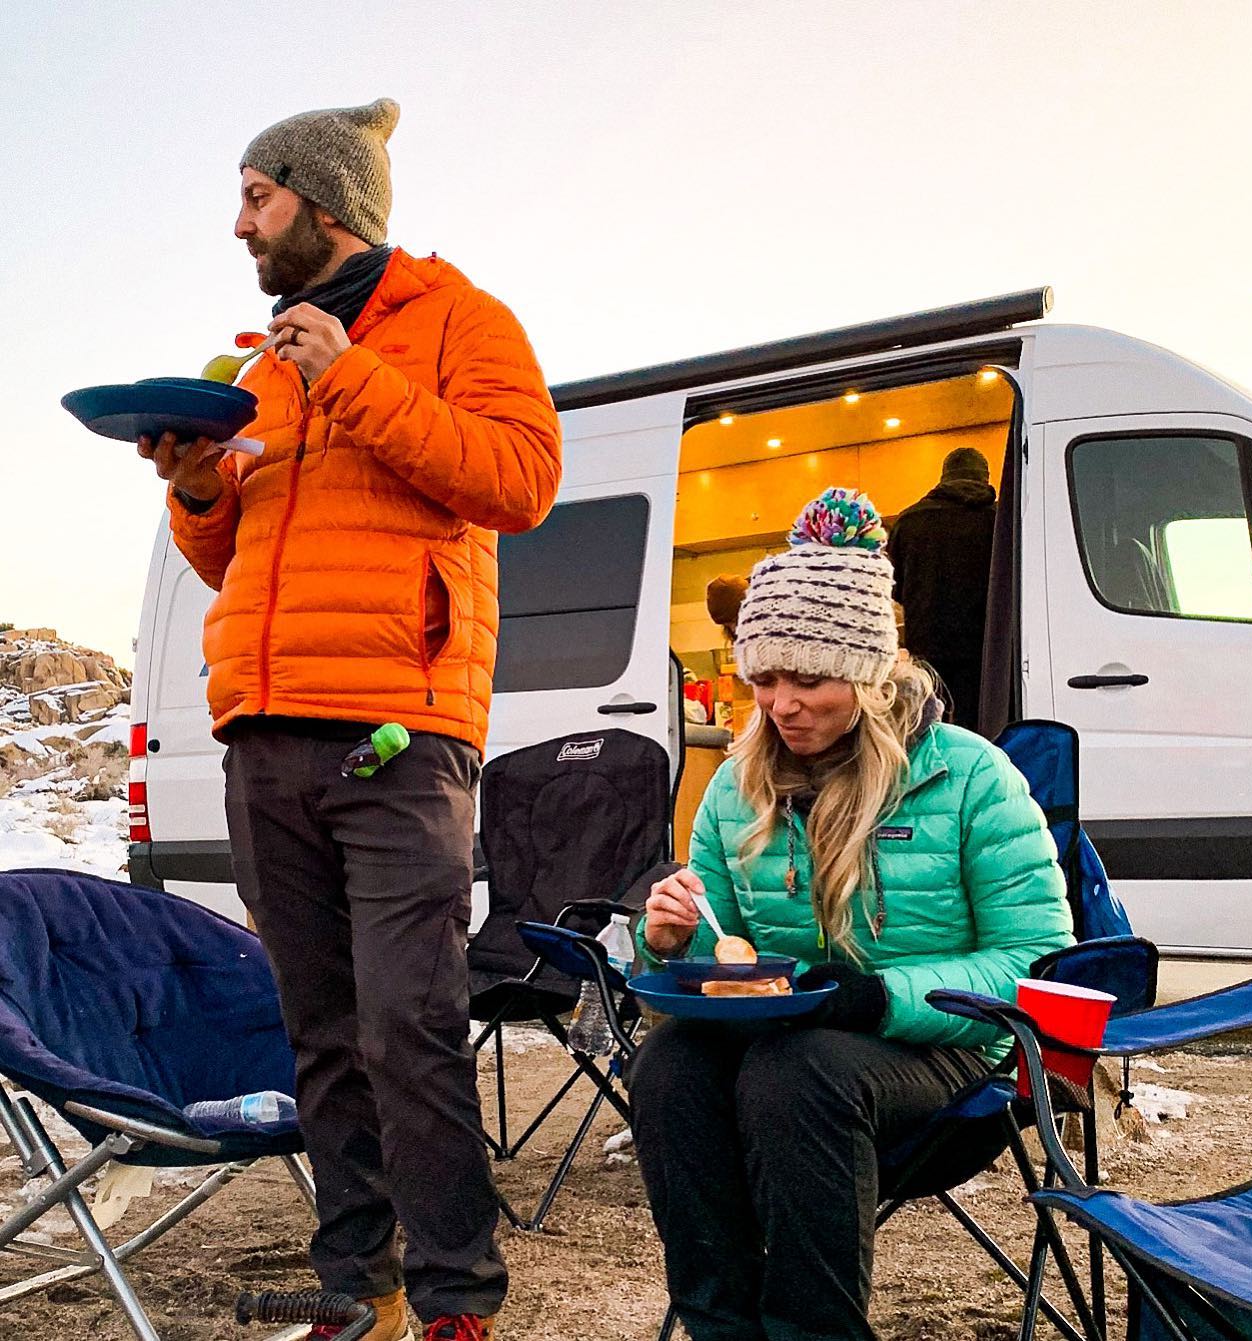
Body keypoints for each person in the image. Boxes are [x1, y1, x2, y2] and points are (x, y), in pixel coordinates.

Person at [138, 98, 562, 1341]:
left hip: (398, 731)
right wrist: (202, 489)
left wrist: (355, 374)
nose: (239, 224)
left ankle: (454, 1299)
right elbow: (240, 560)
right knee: (320, 1033)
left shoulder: (460, 322)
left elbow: (522, 481)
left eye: (257, 198)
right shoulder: (262, 369)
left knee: (410, 1025)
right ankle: (355, 1287)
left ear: (323, 204)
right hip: (262, 731)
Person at [629, 487, 1072, 1341]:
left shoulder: (968, 775)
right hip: (788, 1045)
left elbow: (1039, 960)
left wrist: (879, 997)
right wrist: (666, 944)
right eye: (762, 678)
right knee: (671, 1065)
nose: (780, 704)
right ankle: (721, 1326)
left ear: (871, 673)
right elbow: (729, 956)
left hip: (946, 1051)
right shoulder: (735, 786)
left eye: (807, 677)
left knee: (799, 1069)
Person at [886, 446, 997, 732]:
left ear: (943, 478)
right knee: (984, 728)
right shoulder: (1000, 521)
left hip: (929, 647)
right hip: (986, 649)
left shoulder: (910, 521)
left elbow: (895, 589)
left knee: (933, 727)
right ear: (985, 478)